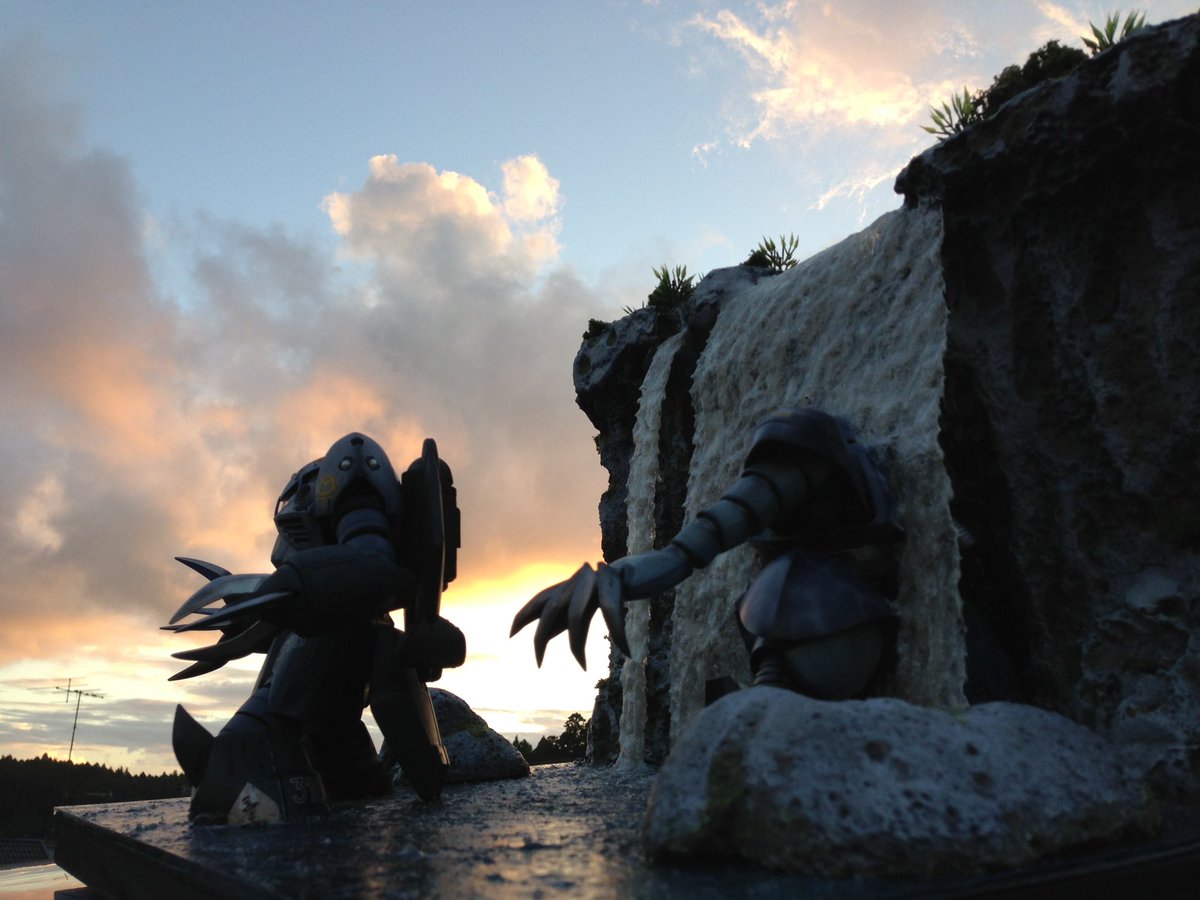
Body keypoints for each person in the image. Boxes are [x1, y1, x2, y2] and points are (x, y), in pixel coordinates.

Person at [166, 432, 465, 824]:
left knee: (312, 743)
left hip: (301, 755)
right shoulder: (320, 610)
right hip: (296, 754)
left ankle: (250, 773)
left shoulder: (341, 605)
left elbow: (417, 663)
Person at [511, 408, 902, 700]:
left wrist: (618, 576)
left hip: (846, 642)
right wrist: (615, 576)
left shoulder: (817, 475)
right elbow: (693, 546)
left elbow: (689, 549)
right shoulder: (794, 499)